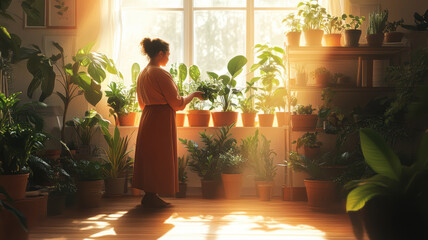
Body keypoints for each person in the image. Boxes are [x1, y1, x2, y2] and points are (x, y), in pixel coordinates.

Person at [132, 38, 204, 208]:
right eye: (167, 54)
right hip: (161, 118)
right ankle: (152, 196)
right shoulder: (159, 73)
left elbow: (141, 102)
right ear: (160, 53)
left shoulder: (143, 73)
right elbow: (177, 103)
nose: (168, 58)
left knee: (150, 157)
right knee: (160, 156)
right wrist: (193, 95)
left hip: (148, 116)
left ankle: (150, 195)